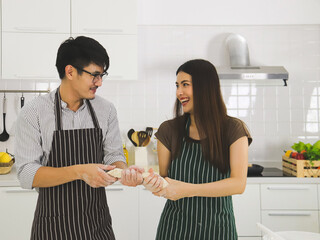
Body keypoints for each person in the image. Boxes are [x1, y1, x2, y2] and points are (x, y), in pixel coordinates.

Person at [15, 36, 143, 240]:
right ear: (70, 71)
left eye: (102, 75)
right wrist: (80, 172)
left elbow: (113, 156)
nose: (99, 82)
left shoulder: (106, 110)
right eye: (95, 75)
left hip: (97, 225)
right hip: (52, 226)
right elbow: (26, 174)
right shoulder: (34, 112)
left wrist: (125, 172)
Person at [143, 59, 252, 240]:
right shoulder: (168, 130)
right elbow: (163, 180)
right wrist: (148, 181)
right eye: (177, 85)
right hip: (174, 229)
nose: (179, 92)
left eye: (185, 85)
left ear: (206, 87)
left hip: (218, 230)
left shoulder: (233, 129)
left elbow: (238, 184)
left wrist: (189, 189)